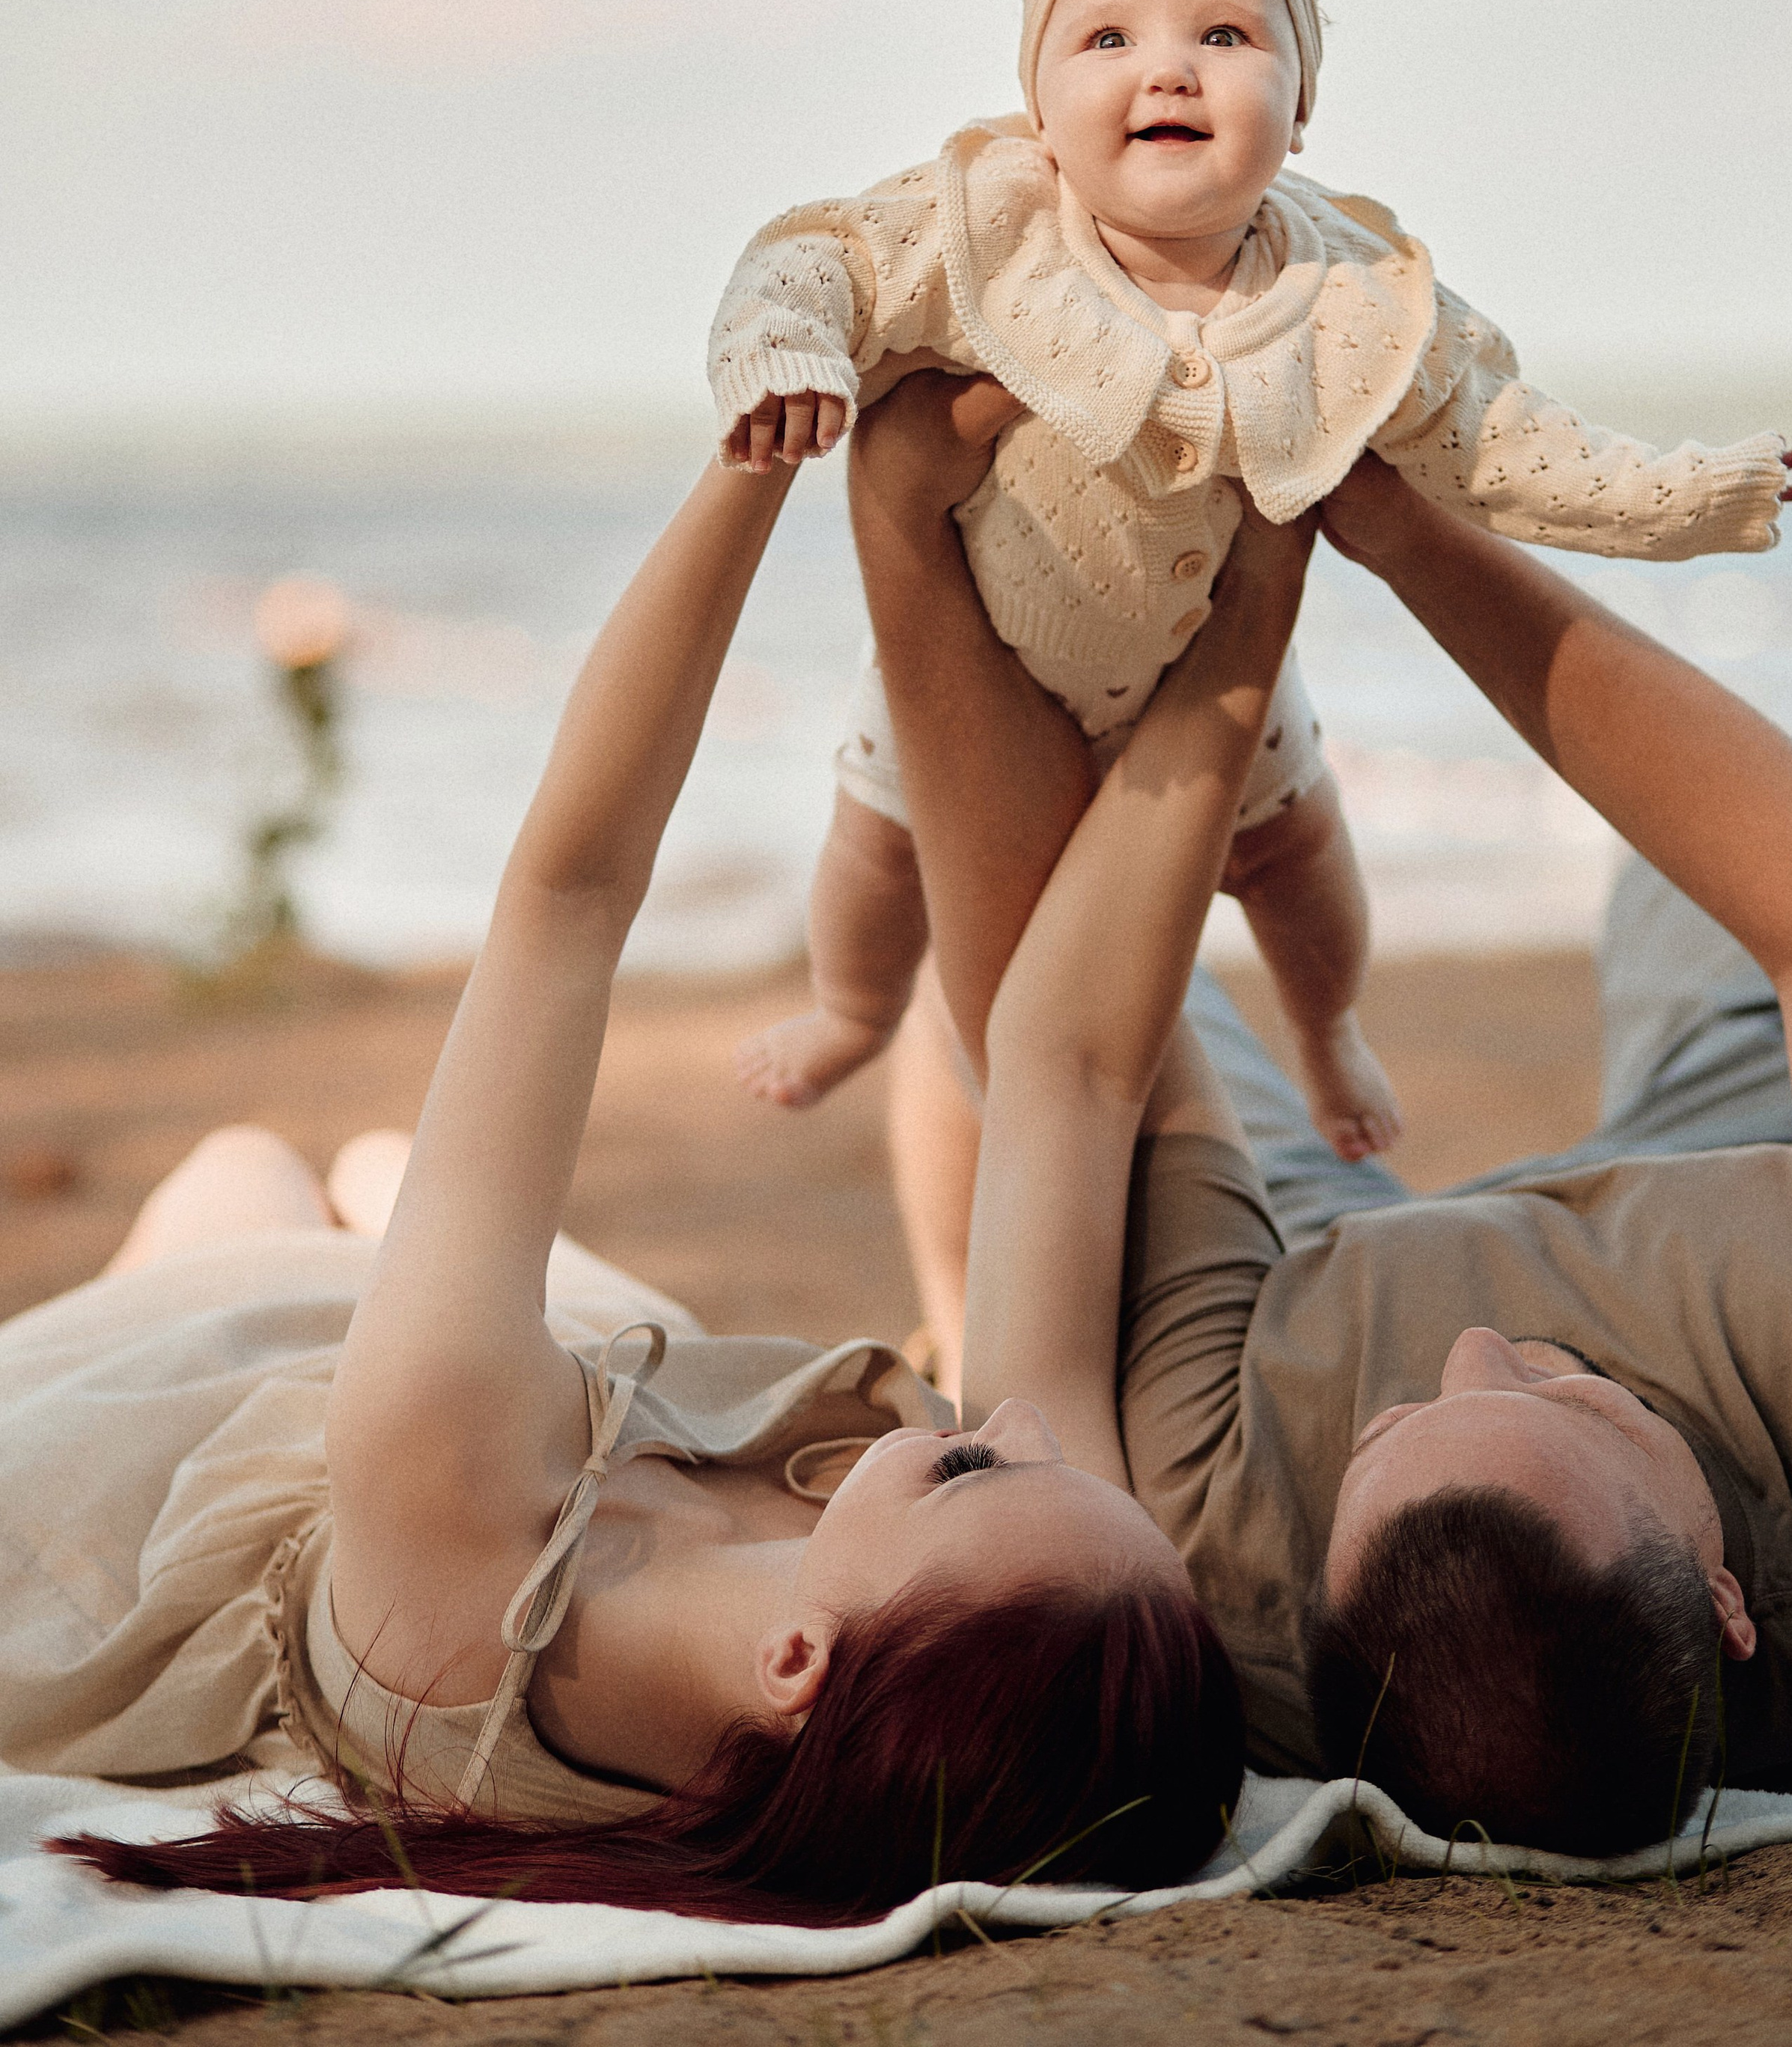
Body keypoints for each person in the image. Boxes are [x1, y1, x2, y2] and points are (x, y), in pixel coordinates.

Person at [23, 439, 1271, 1921]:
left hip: (250, 1468)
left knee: (249, 1175)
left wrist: (757, 459)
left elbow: (567, 896)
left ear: (797, 1663)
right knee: (373, 1169)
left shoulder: (463, 1507)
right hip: (580, 1388)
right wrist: (1268, 553)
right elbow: (1074, 1075)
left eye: (970, 1464)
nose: (1014, 1416)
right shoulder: (1016, 1603)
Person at [865, 400, 1792, 1859]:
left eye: (1401, 1421)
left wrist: (918, 536)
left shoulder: (1210, 1549)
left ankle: (975, 1310)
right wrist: (1410, 536)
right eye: (1565, 1400)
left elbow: (1071, 1060)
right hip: (1746, 1168)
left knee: (991, 994)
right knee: (1733, 879)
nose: (1477, 1345)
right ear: (1722, 1596)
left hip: (1302, 1270)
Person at [713, 0, 1792, 1162]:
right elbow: (819, 258)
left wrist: (1690, 496)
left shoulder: (1344, 292)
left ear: (1301, 103)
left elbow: (1508, 443)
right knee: (873, 853)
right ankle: (852, 1011)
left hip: (1203, 670)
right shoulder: (991, 227)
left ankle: (1327, 1028)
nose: (1169, 69)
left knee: (1305, 864)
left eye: (1224, 35)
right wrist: (789, 349)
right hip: (986, 656)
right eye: (1109, 37)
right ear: (1039, 102)